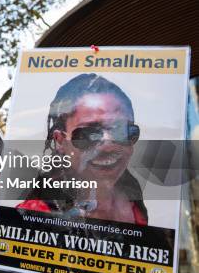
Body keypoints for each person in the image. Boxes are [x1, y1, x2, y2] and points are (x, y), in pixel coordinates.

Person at [18, 73, 147, 225]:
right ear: (60, 141)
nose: (108, 145)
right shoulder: (30, 220)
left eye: (121, 131)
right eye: (88, 134)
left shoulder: (135, 207)